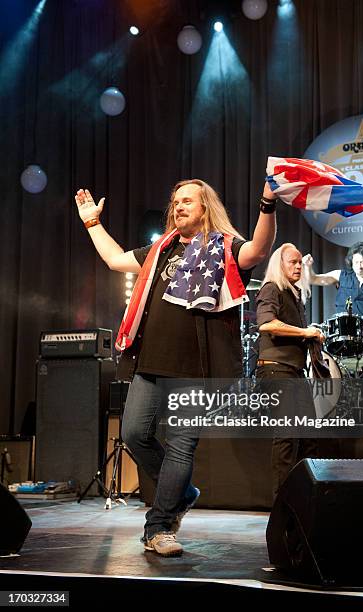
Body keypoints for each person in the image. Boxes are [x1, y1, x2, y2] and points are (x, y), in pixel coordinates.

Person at [75, 179, 277, 556]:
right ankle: (182, 493)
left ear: (205, 208)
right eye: (175, 201)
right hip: (150, 360)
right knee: (135, 435)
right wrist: (92, 223)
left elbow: (259, 250)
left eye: (187, 201)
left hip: (196, 368)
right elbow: (115, 260)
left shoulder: (224, 248)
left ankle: (159, 527)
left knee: (182, 445)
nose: (178, 206)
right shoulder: (160, 250)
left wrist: (267, 205)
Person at [255, 243, 325, 507]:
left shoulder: (294, 295)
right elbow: (266, 323)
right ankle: (283, 507)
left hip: (293, 373)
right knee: (286, 437)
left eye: (299, 263)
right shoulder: (272, 288)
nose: (298, 267)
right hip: (275, 371)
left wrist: (313, 337)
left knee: (309, 437)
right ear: (279, 265)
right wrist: (305, 332)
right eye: (292, 262)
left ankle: (303, 501)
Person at [302, 241, 363, 327]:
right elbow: (313, 279)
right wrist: (307, 267)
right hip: (341, 330)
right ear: (351, 262)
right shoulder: (340, 275)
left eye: (362, 262)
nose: (359, 266)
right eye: (356, 262)